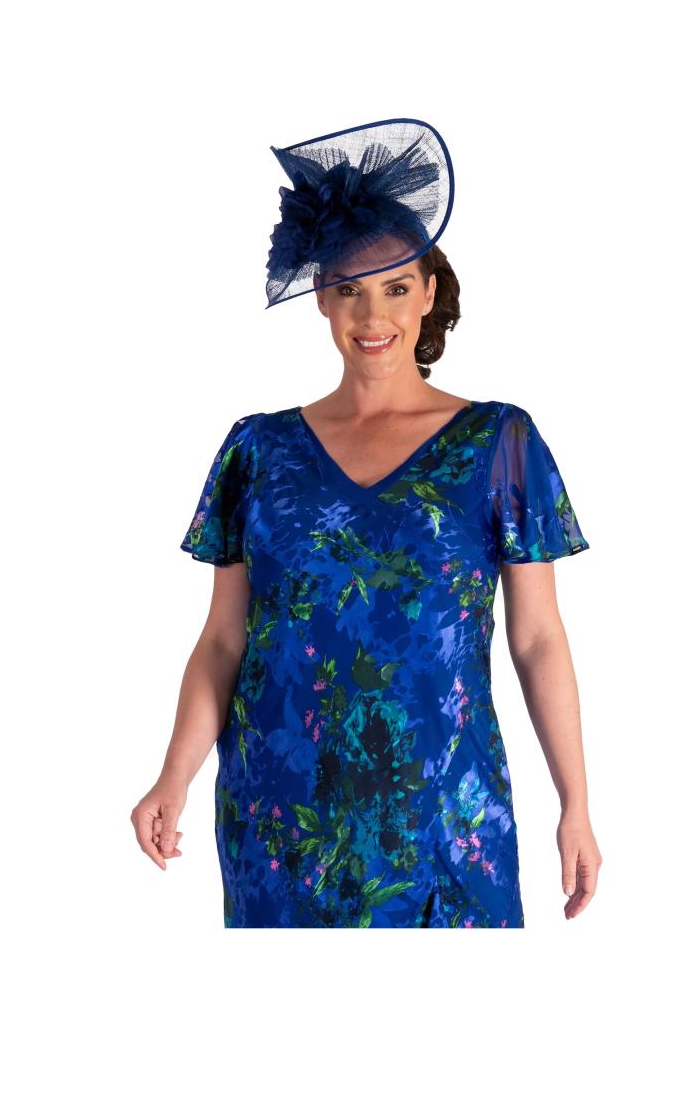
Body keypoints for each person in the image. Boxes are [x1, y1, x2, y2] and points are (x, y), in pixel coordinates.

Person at [131, 118, 601, 927]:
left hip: (447, 823)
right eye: (349, 288)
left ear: (428, 293)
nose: (372, 313)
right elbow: (223, 641)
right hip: (281, 824)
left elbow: (537, 639)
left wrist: (576, 804)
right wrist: (173, 776)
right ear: (321, 296)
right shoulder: (257, 450)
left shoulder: (498, 443)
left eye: (395, 287)